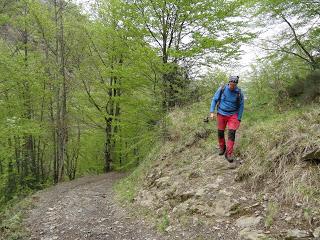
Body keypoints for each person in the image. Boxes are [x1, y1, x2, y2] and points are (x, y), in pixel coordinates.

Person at [209, 76, 244, 163]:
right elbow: (214, 100)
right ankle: (222, 147)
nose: (232, 86)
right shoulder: (222, 89)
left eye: (234, 85)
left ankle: (229, 153)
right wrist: (212, 112)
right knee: (220, 132)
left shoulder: (239, 92)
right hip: (221, 113)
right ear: (229, 83)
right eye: (231, 84)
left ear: (236, 84)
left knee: (232, 133)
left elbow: (241, 106)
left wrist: (239, 119)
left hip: (233, 115)